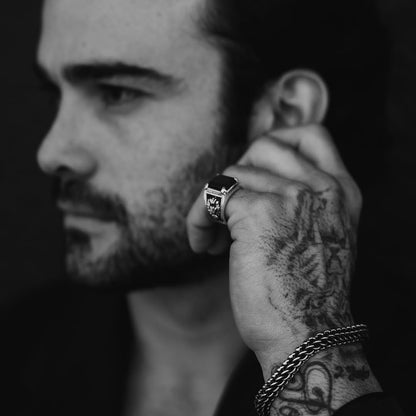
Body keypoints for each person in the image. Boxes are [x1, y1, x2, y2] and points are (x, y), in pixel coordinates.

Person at [1, 0, 405, 415]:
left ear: (285, 114)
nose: (51, 153)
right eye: (54, 92)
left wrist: (309, 343)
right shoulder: (17, 356)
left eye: (116, 93)